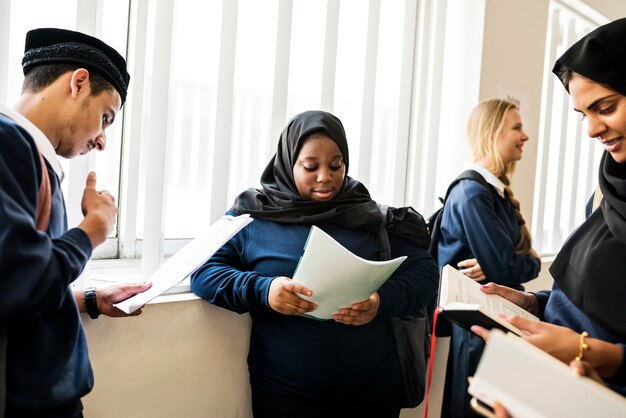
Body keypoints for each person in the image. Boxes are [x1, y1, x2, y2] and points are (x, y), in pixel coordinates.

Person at [190, 110, 439, 417]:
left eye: (336, 165)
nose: (326, 176)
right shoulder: (252, 216)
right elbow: (203, 272)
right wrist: (264, 290)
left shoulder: (372, 216)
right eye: (310, 166)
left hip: (374, 390)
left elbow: (425, 273)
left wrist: (382, 301)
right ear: (288, 162)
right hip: (285, 394)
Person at [0, 28, 152, 417]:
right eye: (105, 117)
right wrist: (92, 231)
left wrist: (90, 300)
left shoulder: (33, 157)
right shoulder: (9, 145)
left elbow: (23, 290)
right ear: (79, 82)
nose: (101, 141)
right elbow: (17, 279)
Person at [472, 17, 626, 399]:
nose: (592, 130)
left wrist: (607, 357)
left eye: (604, 108)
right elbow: (588, 297)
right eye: (583, 115)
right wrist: (534, 303)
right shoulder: (607, 188)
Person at [436, 98, 541, 417]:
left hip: (492, 320)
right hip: (476, 326)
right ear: (491, 133)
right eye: (517, 127)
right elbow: (507, 267)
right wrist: (527, 260)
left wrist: (521, 261)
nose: (525, 136)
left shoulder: (492, 192)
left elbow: (506, 265)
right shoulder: (473, 193)